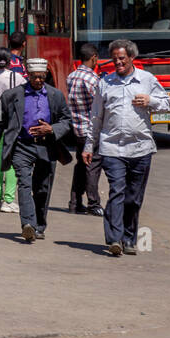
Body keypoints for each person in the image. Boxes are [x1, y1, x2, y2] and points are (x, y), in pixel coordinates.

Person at [84, 39, 170, 256]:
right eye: (114, 59)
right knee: (117, 192)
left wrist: (150, 101)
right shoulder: (105, 83)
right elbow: (96, 117)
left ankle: (129, 239)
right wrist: (89, 145)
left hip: (141, 149)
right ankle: (114, 239)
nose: (118, 63)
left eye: (122, 58)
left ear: (132, 58)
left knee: (133, 197)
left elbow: (166, 102)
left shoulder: (146, 80)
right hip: (112, 148)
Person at [0, 56, 72, 243]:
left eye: (41, 77)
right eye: (34, 77)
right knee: (24, 184)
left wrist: (52, 129)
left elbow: (66, 120)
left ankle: (39, 226)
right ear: (28, 76)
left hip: (46, 146)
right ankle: (28, 225)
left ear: (46, 75)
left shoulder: (55, 95)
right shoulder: (12, 95)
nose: (38, 81)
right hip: (22, 146)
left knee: (42, 188)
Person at [66, 43, 104, 216]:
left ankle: (75, 202)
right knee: (92, 166)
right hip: (90, 129)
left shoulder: (71, 76)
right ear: (94, 57)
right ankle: (93, 202)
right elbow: (99, 105)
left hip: (77, 128)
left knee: (81, 165)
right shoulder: (92, 80)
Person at [0, 47, 25, 214]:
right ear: (10, 61)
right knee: (10, 162)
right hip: (11, 122)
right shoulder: (17, 77)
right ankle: (8, 200)